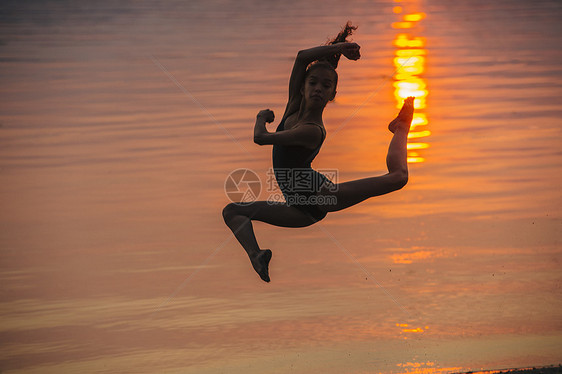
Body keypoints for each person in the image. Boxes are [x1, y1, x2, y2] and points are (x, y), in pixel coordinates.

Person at [223, 23, 414, 282]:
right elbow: (302, 56)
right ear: (303, 87)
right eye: (313, 83)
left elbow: (261, 138)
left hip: (322, 197)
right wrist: (339, 49)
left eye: (326, 86)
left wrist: (261, 117)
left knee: (398, 177)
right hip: (297, 210)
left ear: (332, 94)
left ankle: (401, 127)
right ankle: (257, 256)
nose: (318, 89)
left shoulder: (312, 130)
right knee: (232, 212)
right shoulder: (293, 106)